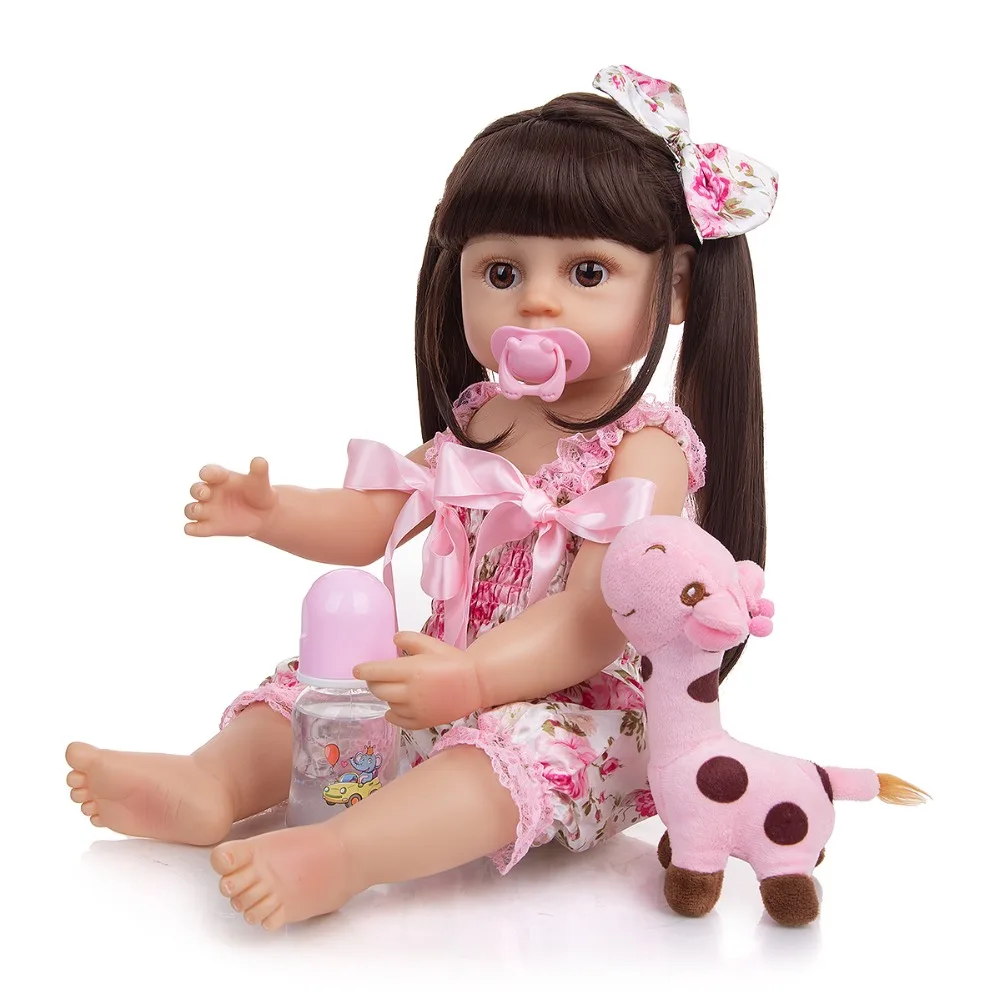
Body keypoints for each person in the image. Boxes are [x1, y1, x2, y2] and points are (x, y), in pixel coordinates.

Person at [65, 64, 776, 931]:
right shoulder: (484, 419)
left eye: (588, 272)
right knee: (323, 688)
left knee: (499, 763)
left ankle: (340, 856)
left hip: (576, 707)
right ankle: (212, 783)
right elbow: (379, 514)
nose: (538, 299)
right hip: (442, 673)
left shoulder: (646, 446)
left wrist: (476, 679)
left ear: (676, 290)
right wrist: (275, 514)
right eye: (502, 271)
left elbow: (595, 617)